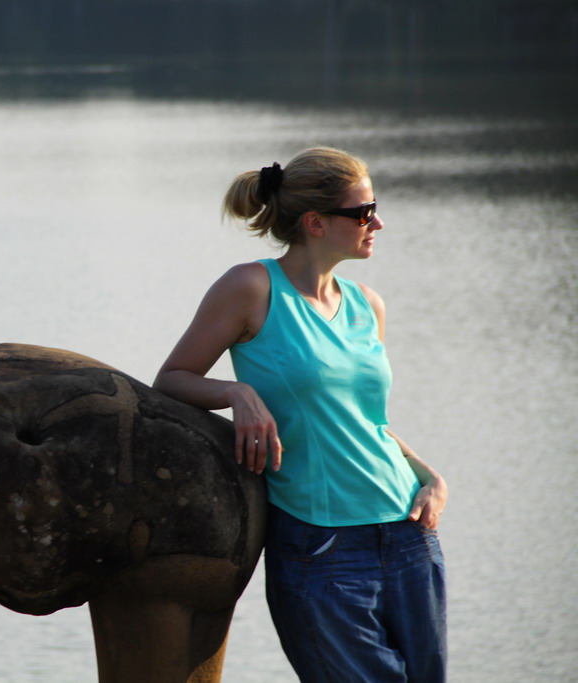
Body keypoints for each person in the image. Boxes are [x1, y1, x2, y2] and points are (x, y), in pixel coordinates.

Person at [153, 147, 448, 682]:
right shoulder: (251, 288)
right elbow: (171, 380)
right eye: (363, 212)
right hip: (322, 545)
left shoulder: (367, 304)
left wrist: (430, 475)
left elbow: (364, 425)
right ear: (315, 223)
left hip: (409, 534)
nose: (377, 222)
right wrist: (237, 391)